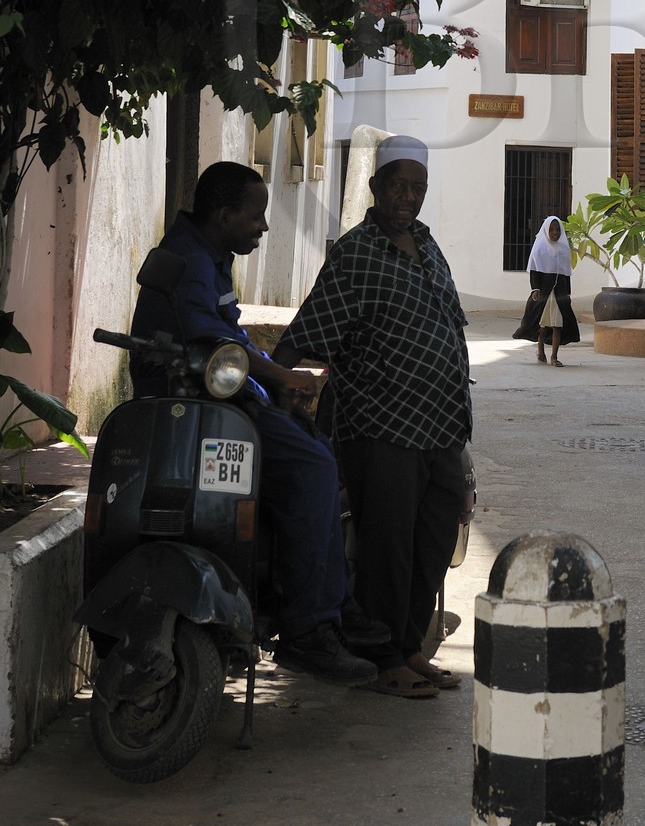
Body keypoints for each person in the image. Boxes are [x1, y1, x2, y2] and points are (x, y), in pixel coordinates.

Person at [129, 161, 381, 681]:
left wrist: (272, 387)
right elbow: (220, 348)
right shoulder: (191, 261)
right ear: (224, 216)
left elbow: (232, 342)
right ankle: (310, 628)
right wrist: (285, 379)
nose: (263, 227)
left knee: (317, 452)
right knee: (313, 466)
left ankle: (327, 603)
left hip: (219, 398)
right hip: (198, 411)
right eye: (255, 216)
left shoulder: (206, 252)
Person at [273, 134, 471, 701]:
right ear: (375, 187)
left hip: (440, 429)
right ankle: (383, 660)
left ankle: (410, 648)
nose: (408, 197)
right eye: (398, 186)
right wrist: (266, 384)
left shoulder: (428, 246)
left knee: (430, 548)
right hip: (382, 428)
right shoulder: (357, 254)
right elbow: (306, 331)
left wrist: (463, 438)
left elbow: (450, 336)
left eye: (417, 188)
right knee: (386, 550)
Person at [512, 215, 580, 366]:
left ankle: (554, 357)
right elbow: (535, 270)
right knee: (543, 326)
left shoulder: (563, 248)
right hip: (544, 293)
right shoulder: (540, 248)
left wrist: (567, 292)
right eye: (551, 230)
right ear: (545, 231)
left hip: (559, 294)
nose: (555, 232)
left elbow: (566, 273)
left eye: (557, 229)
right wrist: (535, 289)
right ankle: (540, 348)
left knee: (557, 325)